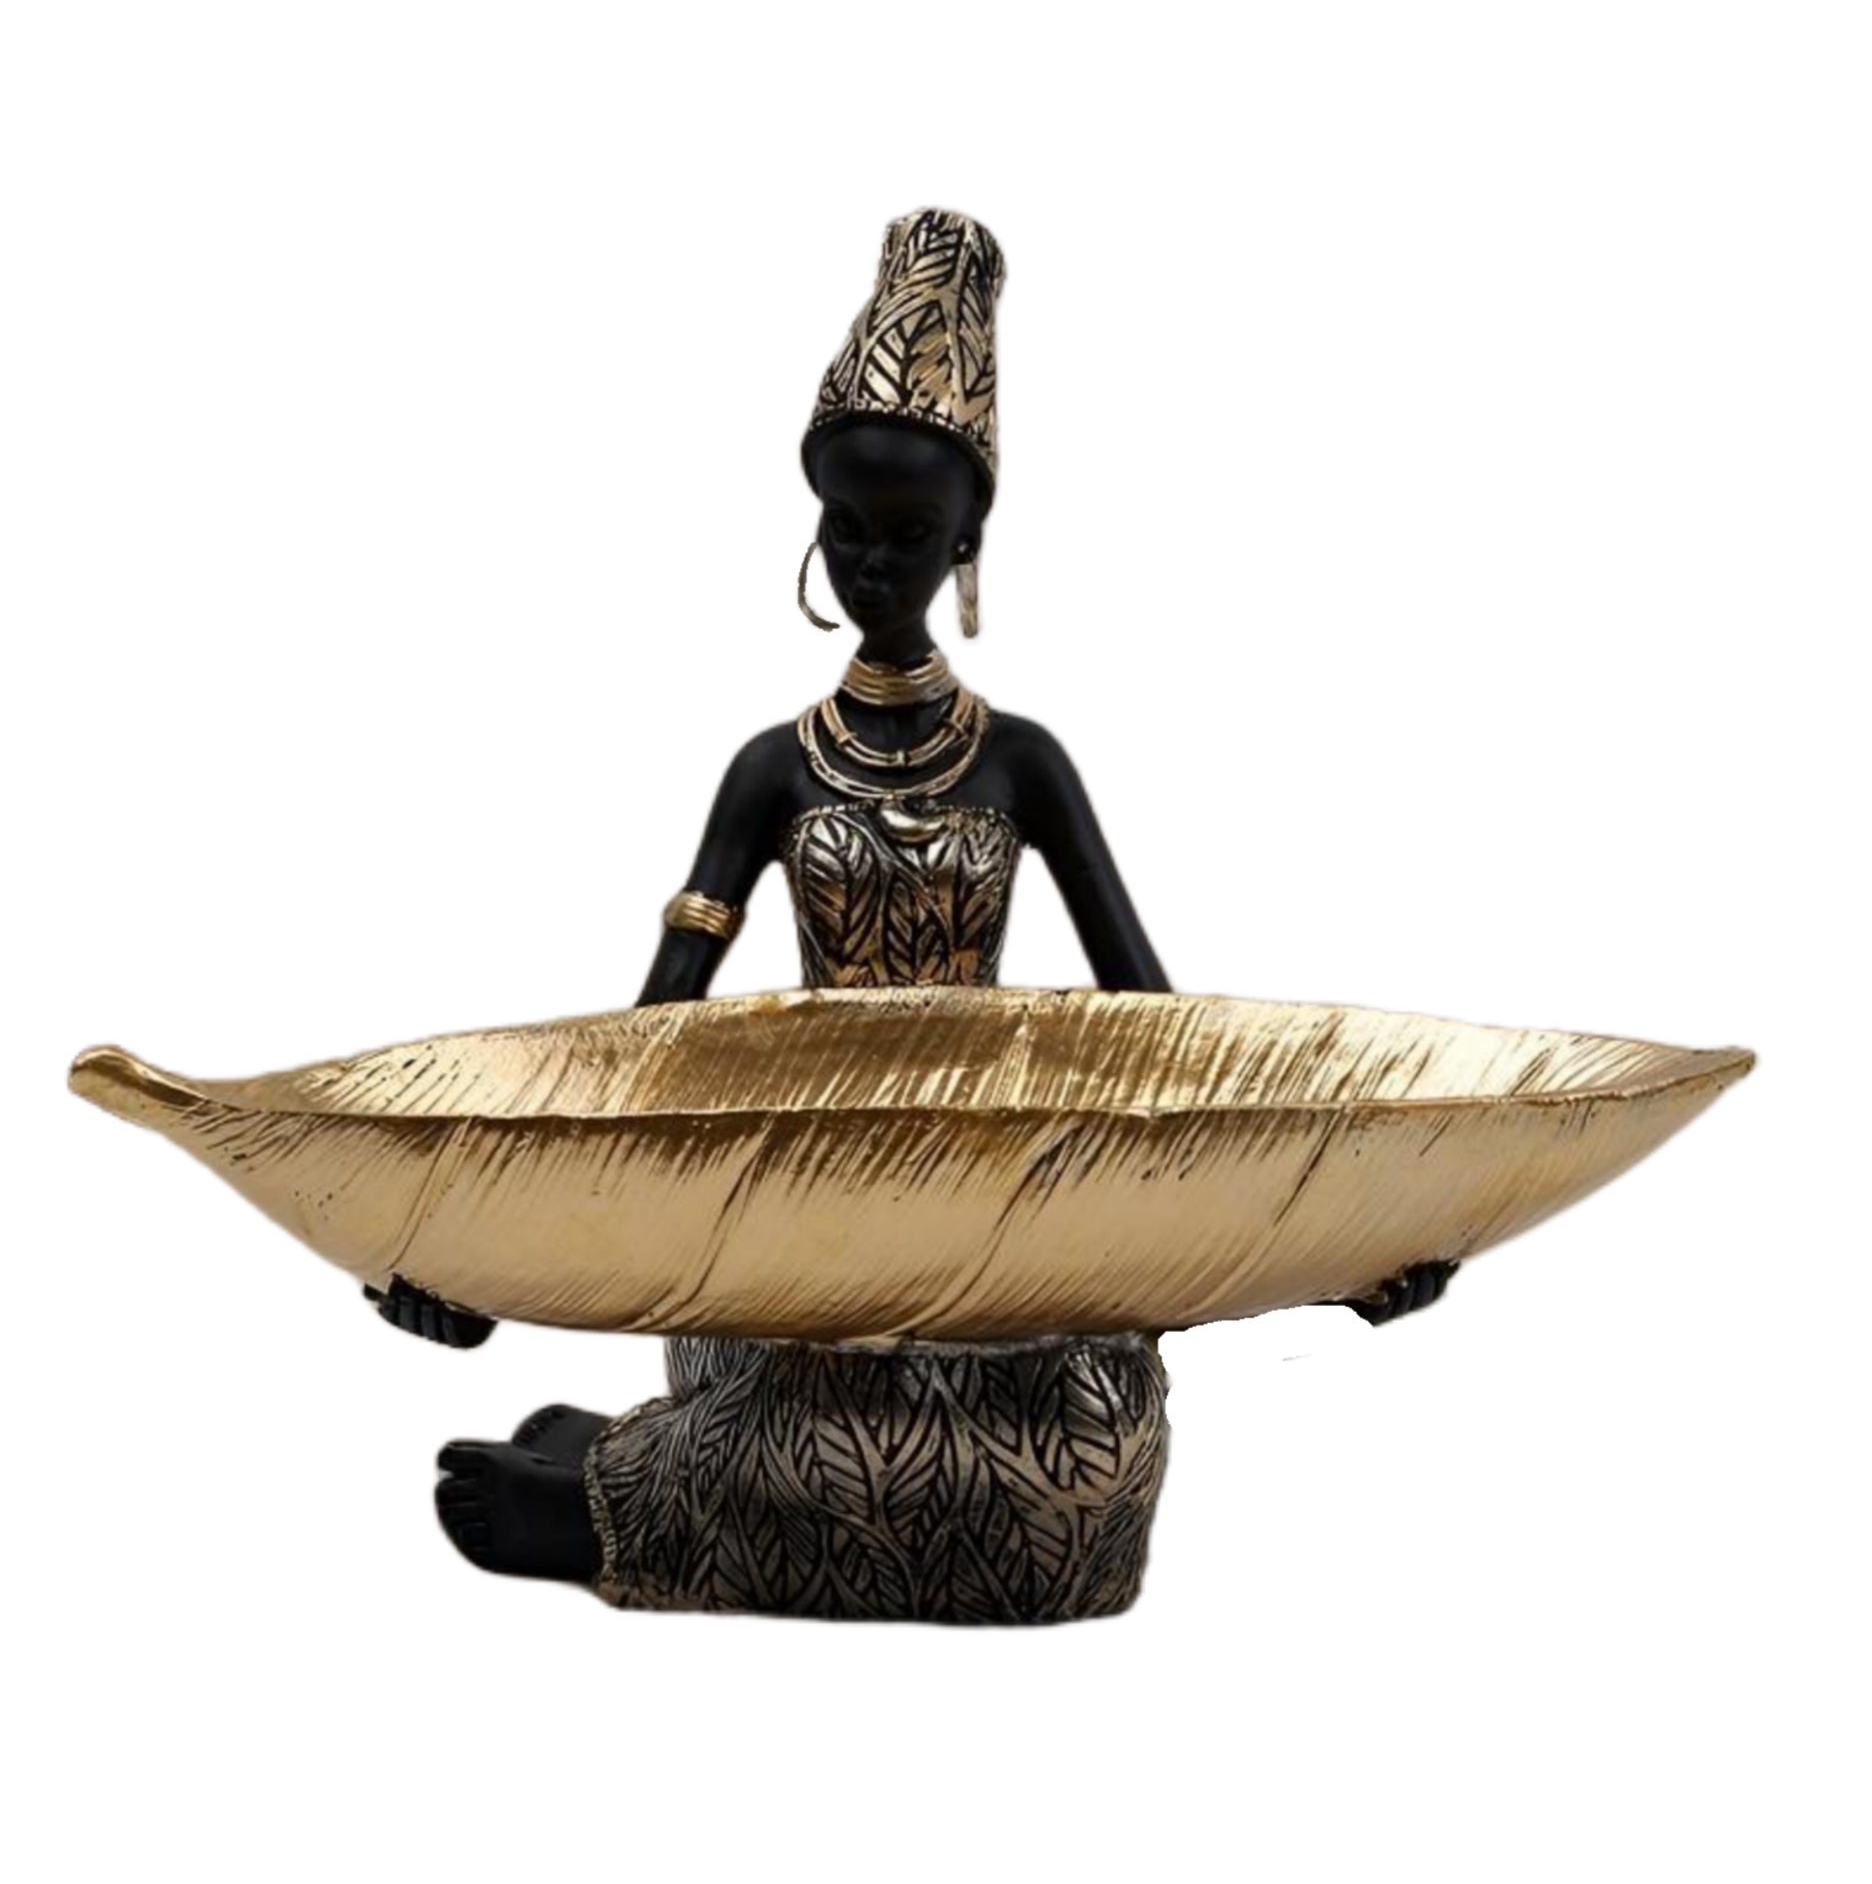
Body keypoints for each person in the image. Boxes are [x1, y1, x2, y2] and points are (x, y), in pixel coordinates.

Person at [388, 209, 1448, 1621]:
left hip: (1005, 1231)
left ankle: (633, 1475)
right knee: (827, 1417)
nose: (875, 567)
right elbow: (642, 1061)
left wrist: (1342, 1245)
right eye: (849, 531)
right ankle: (632, 1484)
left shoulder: (1023, 765)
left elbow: (1170, 1048)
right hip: (802, 1250)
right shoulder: (772, 771)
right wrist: (473, 1257)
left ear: (967, 541)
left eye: (909, 535)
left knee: (1091, 1477)